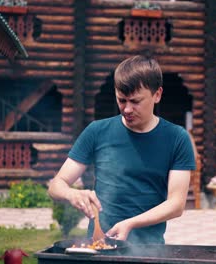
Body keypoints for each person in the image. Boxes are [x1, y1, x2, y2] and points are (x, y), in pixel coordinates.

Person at [48, 55, 196, 244]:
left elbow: (176, 205)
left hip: (148, 249)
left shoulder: (177, 138)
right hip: (98, 244)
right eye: (121, 100)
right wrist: (72, 194)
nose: (126, 109)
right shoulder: (97, 131)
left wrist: (130, 224)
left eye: (135, 101)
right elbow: (56, 184)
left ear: (157, 94)